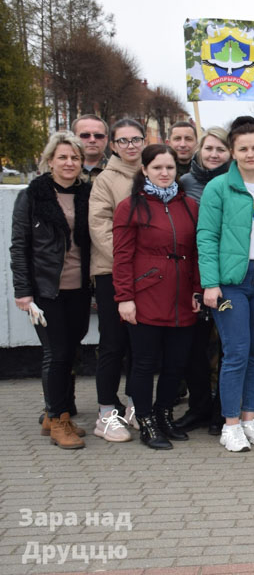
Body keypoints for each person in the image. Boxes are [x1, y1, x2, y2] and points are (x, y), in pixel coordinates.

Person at [197, 122, 254, 453]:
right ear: (233, 152)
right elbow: (206, 237)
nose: (251, 154)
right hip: (231, 284)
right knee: (236, 352)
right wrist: (210, 283)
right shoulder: (218, 187)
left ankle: (250, 418)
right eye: (243, 148)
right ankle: (230, 424)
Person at [113, 144, 202, 449]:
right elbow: (122, 256)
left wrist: (197, 289)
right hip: (146, 295)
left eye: (170, 168)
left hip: (182, 297)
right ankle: (146, 420)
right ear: (145, 170)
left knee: (176, 363)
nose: (164, 173)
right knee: (144, 363)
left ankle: (164, 415)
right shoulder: (130, 207)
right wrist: (125, 297)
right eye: (157, 168)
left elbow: (197, 252)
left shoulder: (189, 206)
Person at [11, 132, 91, 449]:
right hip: (47, 290)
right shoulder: (33, 195)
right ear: (50, 160)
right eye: (63, 157)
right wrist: (23, 292)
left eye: (75, 157)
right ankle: (58, 419)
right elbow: (19, 246)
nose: (69, 163)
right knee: (55, 353)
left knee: (70, 351)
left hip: (79, 288)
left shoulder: (86, 193)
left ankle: (55, 414)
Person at [89, 119, 148, 443]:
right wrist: (131, 264)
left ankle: (135, 404)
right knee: (112, 344)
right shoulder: (105, 180)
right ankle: (106, 413)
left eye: (135, 139)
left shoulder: (151, 173)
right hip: (112, 273)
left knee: (140, 345)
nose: (130, 146)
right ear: (113, 145)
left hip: (146, 276)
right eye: (123, 141)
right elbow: (100, 227)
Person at [174, 127, 232, 435]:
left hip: (227, 273)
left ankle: (223, 409)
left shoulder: (236, 181)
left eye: (221, 149)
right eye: (209, 148)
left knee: (226, 346)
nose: (214, 154)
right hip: (190, 275)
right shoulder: (184, 183)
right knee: (193, 346)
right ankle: (198, 406)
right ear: (199, 150)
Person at [72, 114, 110, 179]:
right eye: (85, 135)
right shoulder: (62, 170)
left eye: (98, 136)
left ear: (106, 139)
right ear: (73, 138)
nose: (92, 140)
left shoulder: (118, 171)